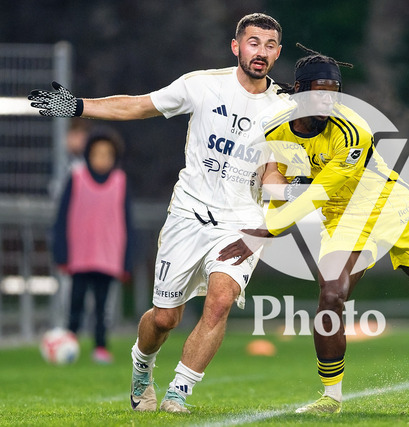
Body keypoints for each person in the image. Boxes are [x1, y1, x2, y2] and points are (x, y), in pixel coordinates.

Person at [29, 13, 289, 413]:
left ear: (278, 53)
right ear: (236, 46)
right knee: (166, 318)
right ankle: (142, 365)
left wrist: (294, 196)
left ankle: (178, 392)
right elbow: (137, 106)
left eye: (270, 46)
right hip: (189, 214)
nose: (261, 52)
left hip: (241, 222)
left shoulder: (284, 107)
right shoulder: (202, 85)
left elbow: (272, 174)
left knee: (220, 301)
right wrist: (78, 106)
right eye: (254, 43)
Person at [218, 47, 409, 414]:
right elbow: (279, 180)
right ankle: (331, 397)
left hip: (390, 207)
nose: (327, 101)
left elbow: (318, 192)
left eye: (334, 93)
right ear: (298, 92)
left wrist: (266, 230)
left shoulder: (353, 131)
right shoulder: (275, 128)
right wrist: (271, 200)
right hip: (343, 218)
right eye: (319, 92)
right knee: (331, 294)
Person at [52, 127, 133, 364]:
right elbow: (62, 217)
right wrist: (62, 253)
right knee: (75, 303)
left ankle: (100, 346)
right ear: (88, 154)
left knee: (102, 307)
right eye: (97, 154)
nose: (102, 159)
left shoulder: (120, 182)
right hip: (80, 256)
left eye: (107, 155)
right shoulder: (76, 178)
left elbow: (127, 222)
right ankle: (69, 344)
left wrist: (126, 261)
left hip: (108, 257)